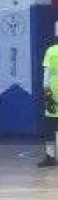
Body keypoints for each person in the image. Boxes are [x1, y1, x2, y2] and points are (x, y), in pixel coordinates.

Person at [40, 37, 58, 167]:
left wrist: (47, 92)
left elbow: (46, 74)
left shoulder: (51, 51)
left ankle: (50, 156)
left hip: (54, 90)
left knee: (50, 125)